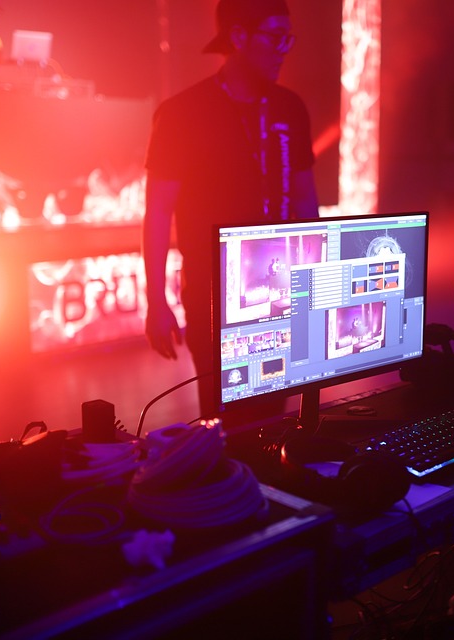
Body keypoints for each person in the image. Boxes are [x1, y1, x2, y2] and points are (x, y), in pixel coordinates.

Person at [144, 0, 319, 416]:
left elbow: (305, 201)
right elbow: (158, 213)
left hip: (283, 291)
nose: (283, 50)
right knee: (225, 420)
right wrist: (156, 301)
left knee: (275, 416)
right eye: (274, 38)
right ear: (238, 37)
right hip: (213, 296)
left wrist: (316, 283)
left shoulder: (290, 108)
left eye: (288, 39)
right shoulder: (182, 113)